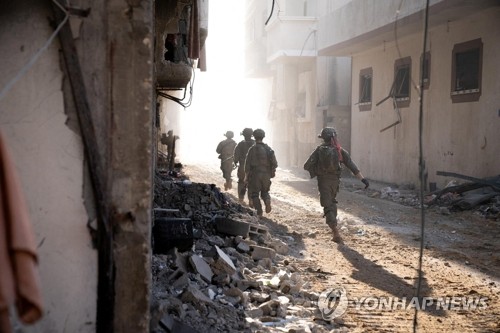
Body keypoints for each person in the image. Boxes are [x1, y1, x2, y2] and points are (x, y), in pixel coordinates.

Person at [303, 127, 369, 242]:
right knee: (332, 202)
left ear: (323, 138)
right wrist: (363, 180)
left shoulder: (319, 150)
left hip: (323, 181)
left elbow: (306, 165)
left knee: (327, 205)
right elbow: (352, 166)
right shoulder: (339, 150)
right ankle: (335, 227)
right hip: (335, 182)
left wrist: (317, 170)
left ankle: (335, 232)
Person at [244, 129, 278, 217]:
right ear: (263, 137)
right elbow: (275, 163)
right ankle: (267, 200)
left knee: (254, 194)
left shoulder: (252, 149)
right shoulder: (268, 148)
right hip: (266, 174)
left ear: (254, 137)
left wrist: (246, 176)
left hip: (255, 174)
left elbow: (247, 164)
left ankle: (259, 212)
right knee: (265, 191)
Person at [233, 128, 255, 206]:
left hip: (243, 166)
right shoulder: (255, 144)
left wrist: (235, 162)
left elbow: (236, 156)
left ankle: (241, 199)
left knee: (241, 182)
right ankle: (251, 200)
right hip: (254, 168)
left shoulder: (240, 144)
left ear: (243, 135)